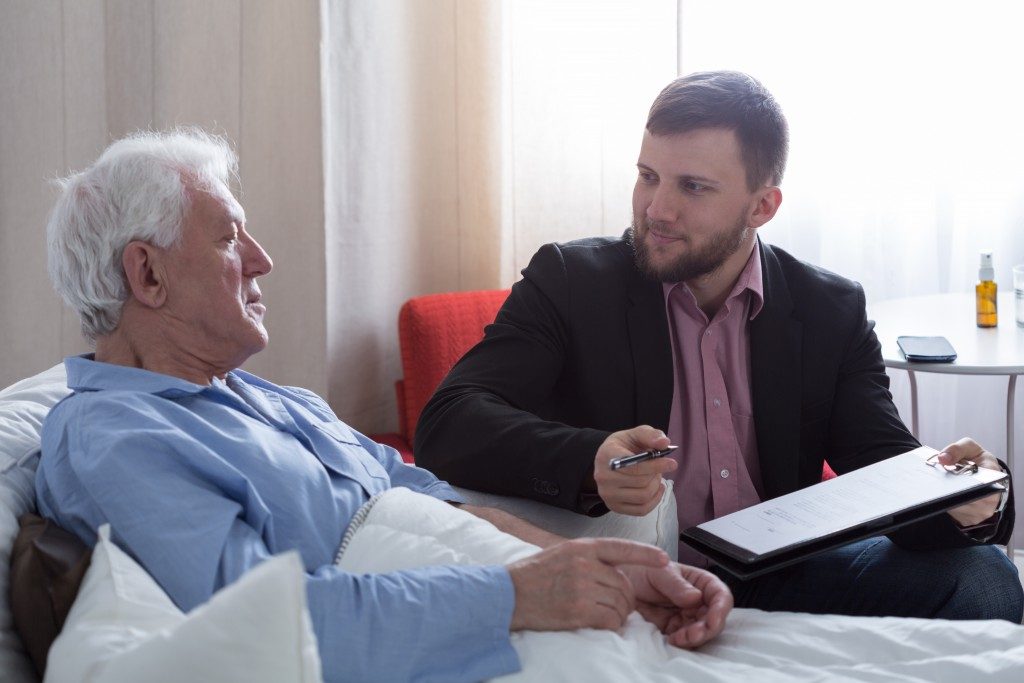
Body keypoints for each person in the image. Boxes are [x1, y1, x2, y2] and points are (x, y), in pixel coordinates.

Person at [35, 129, 733, 683]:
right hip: (453, 626)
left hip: (471, 583)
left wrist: (594, 568)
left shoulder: (267, 397)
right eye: (227, 237)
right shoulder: (113, 436)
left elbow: (433, 498)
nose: (261, 258)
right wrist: (518, 594)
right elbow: (272, 626)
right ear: (146, 273)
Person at [415, 70, 1023, 621]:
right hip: (632, 575)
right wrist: (589, 460)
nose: (657, 209)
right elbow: (449, 422)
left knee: (985, 575)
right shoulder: (571, 281)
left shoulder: (827, 308)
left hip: (781, 575)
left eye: (694, 187)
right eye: (648, 177)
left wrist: (969, 495)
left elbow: (883, 464)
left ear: (762, 206)